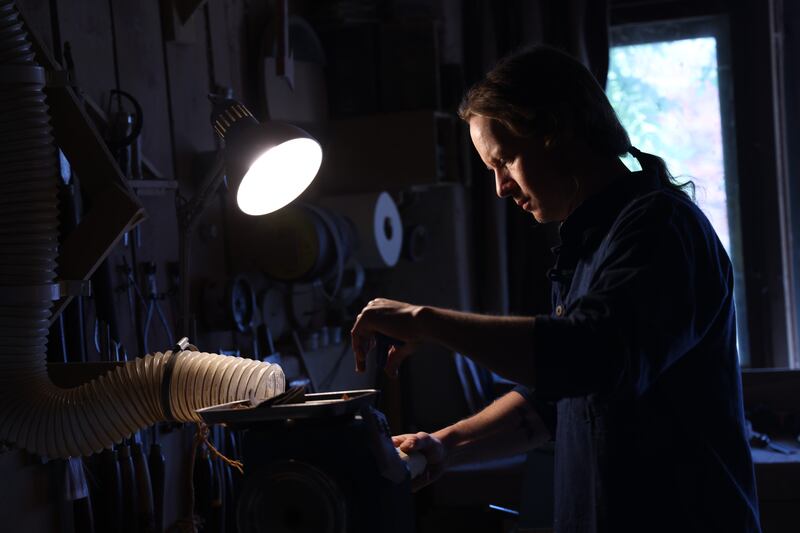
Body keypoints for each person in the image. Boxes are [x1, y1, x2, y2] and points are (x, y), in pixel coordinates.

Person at [350, 45, 761, 533]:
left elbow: (590, 356)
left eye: (505, 161)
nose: (500, 187)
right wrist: (447, 445)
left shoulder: (660, 228)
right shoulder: (589, 244)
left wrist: (427, 321)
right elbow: (556, 400)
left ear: (555, 132)